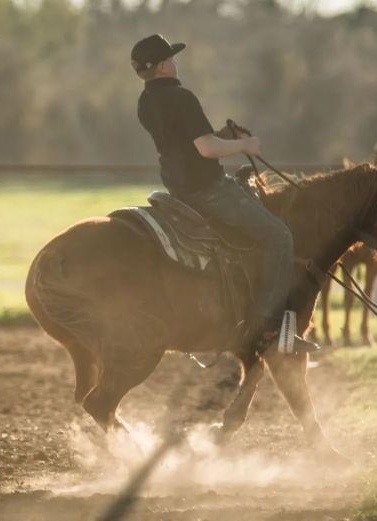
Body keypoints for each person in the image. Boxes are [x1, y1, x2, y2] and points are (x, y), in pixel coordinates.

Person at [131, 34, 318, 355]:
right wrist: (245, 145)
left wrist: (222, 138)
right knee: (279, 236)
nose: (176, 63)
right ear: (163, 66)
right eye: (172, 59)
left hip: (180, 190)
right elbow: (206, 148)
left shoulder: (145, 103)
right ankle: (267, 329)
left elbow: (185, 144)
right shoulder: (181, 96)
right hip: (209, 190)